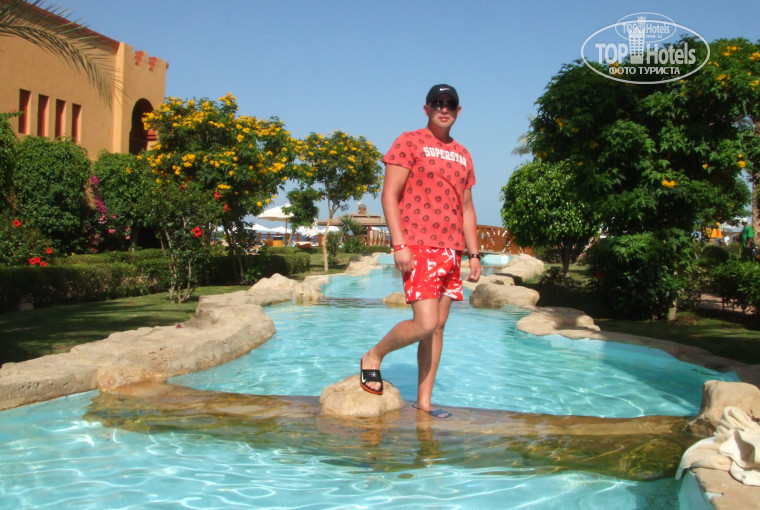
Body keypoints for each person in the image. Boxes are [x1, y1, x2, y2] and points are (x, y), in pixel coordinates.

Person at [359, 84, 482, 416]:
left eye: (450, 104)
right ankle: (373, 356)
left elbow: (467, 208)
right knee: (425, 323)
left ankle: (424, 403)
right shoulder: (409, 141)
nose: (444, 108)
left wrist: (474, 254)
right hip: (419, 245)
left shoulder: (464, 154)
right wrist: (399, 245)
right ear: (426, 108)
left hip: (452, 250)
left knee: (438, 328)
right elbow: (389, 195)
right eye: (437, 103)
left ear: (458, 111)